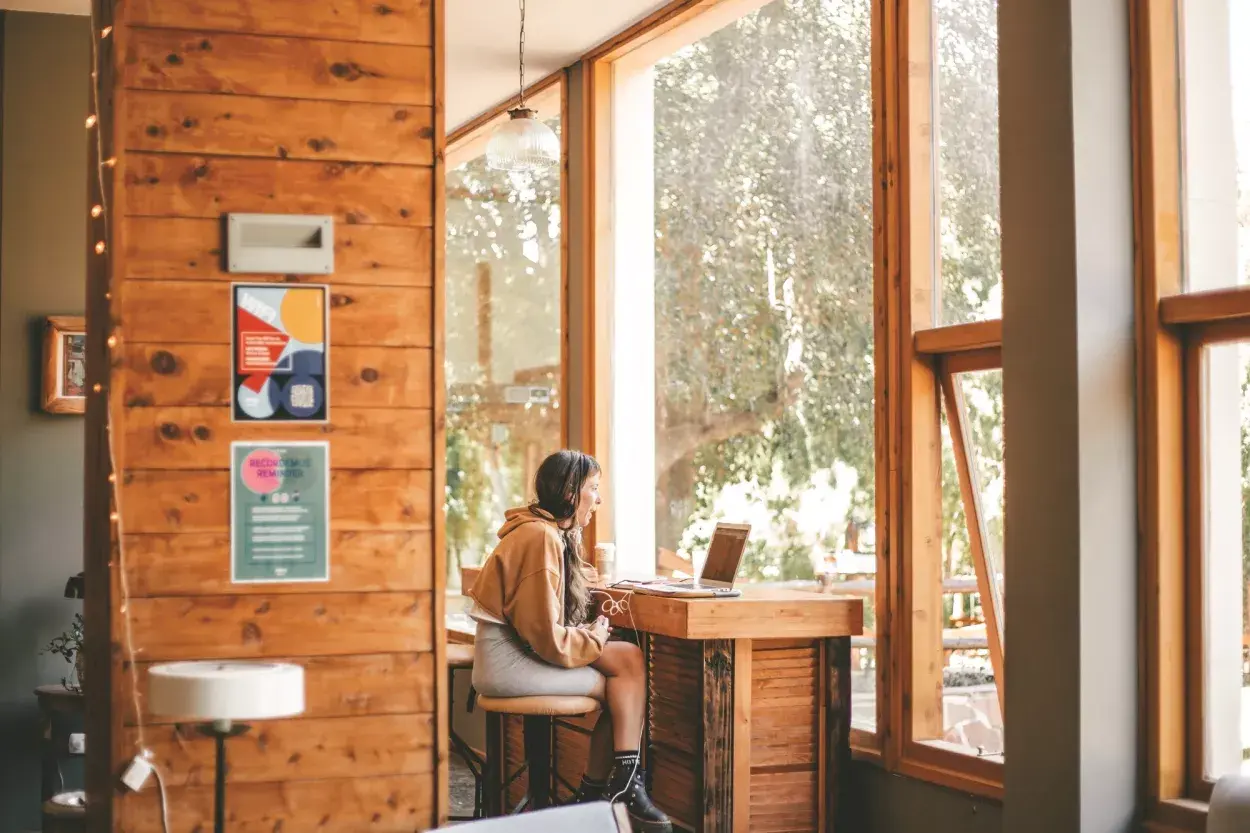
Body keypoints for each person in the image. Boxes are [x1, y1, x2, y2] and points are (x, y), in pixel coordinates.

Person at [469, 450, 671, 832]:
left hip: (513, 653)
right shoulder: (540, 537)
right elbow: (547, 638)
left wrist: (591, 630)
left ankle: (608, 790)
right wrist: (594, 635)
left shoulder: (544, 531)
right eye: (593, 488)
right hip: (506, 664)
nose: (599, 499)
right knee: (622, 690)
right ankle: (609, 791)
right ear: (570, 492)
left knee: (629, 661)